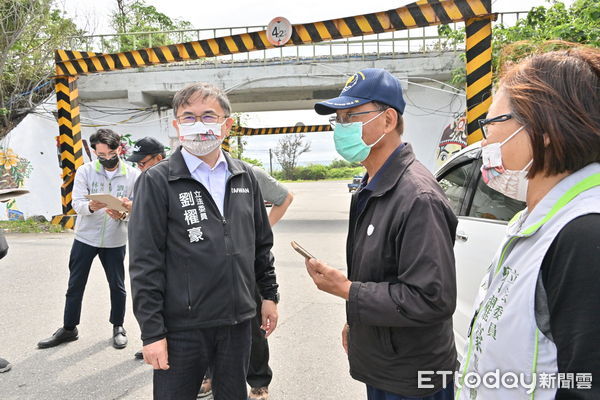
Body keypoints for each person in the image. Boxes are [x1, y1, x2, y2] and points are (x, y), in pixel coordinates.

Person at [456, 45, 600, 399]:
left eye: (491, 123)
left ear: (544, 128)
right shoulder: (534, 220)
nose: (485, 140)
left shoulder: (584, 234)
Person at [305, 68, 458, 400]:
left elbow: (431, 300)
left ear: (388, 121)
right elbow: (382, 274)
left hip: (414, 376)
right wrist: (359, 324)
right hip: (387, 362)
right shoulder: (372, 186)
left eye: (351, 116)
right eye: (338, 119)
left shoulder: (417, 197)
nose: (341, 128)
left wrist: (347, 290)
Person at [128, 82, 280, 400]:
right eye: (189, 117)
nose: (198, 125)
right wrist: (152, 332)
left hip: (237, 320)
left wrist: (269, 295)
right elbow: (145, 262)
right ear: (176, 125)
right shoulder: (157, 181)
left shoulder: (244, 177)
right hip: (183, 326)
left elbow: (260, 244)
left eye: (208, 116)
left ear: (227, 124)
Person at [38, 129, 140, 350]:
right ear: (94, 152)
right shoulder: (85, 171)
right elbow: (76, 203)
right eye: (101, 155)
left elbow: (138, 209)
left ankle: (118, 326)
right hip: (85, 237)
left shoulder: (133, 174)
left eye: (111, 153)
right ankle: (68, 328)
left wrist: (123, 213)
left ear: (119, 149)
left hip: (115, 239)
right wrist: (91, 206)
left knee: (117, 285)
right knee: (75, 284)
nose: (107, 158)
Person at [199, 166, 293, 399]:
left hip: (248, 264)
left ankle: (259, 382)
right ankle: (211, 375)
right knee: (210, 322)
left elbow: (285, 198)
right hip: (210, 265)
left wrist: (260, 230)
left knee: (253, 325)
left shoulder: (247, 172)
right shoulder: (192, 174)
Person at [123, 136, 167, 360]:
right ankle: (154, 339)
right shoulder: (145, 179)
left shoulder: (171, 180)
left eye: (143, 163)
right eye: (137, 164)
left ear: (159, 158)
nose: (140, 168)